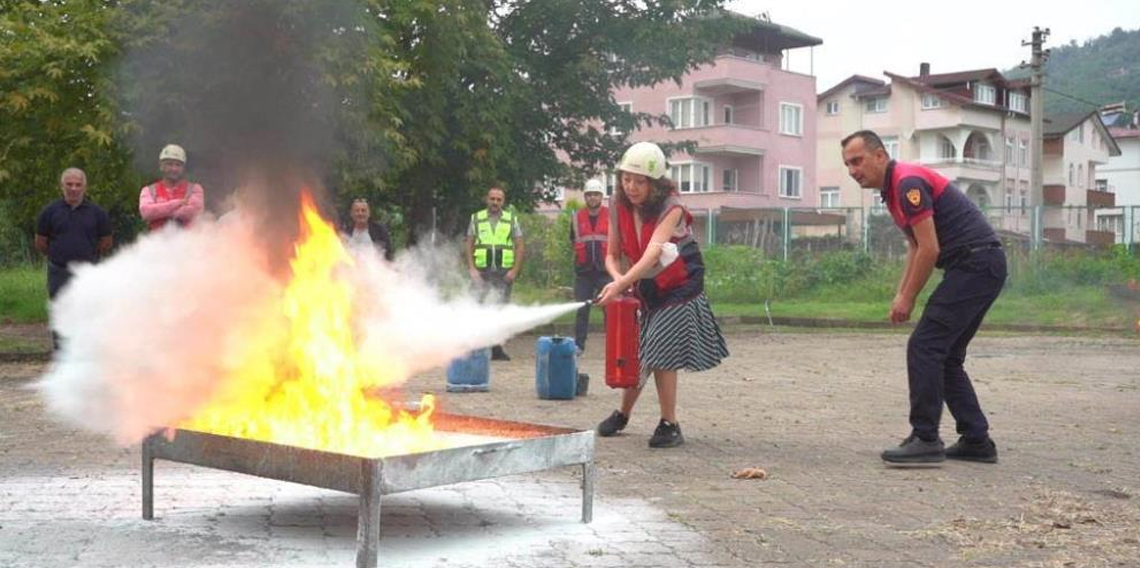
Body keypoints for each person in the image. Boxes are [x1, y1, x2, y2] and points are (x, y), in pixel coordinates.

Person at [841, 129, 1006, 465]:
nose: (853, 170)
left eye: (857, 161)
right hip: (979, 265)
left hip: (975, 264)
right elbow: (916, 246)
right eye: (847, 164)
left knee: (925, 346)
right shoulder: (893, 189)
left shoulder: (907, 183)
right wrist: (901, 293)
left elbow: (930, 249)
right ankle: (976, 440)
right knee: (944, 355)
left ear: (879, 155)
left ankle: (925, 438)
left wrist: (909, 299)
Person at [594, 142, 729, 448]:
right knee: (640, 349)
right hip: (647, 284)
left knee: (658, 345)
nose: (631, 186)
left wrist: (619, 285)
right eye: (626, 178)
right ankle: (623, 414)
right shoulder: (617, 206)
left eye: (639, 181)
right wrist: (619, 281)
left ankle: (670, 424)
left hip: (680, 284)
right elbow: (612, 255)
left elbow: (652, 254)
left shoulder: (672, 208)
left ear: (655, 184)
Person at [35, 168, 113, 349]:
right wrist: (60, 255)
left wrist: (87, 255)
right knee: (60, 312)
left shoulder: (98, 213)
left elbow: (106, 242)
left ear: (85, 187)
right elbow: (41, 242)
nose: (73, 188)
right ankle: (62, 355)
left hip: (87, 272)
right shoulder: (49, 212)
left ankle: (85, 354)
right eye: (69, 184)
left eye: (78, 185)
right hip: (59, 271)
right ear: (62, 186)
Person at [464, 186, 525, 361]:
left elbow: (520, 245)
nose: (495, 202)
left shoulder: (511, 219)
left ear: (503, 202)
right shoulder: (476, 218)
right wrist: (472, 269)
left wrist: (514, 270)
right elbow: (469, 244)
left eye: (499, 199)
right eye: (492, 199)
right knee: (476, 307)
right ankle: (476, 347)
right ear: (487, 199)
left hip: (503, 272)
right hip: (481, 271)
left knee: (500, 310)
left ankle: (497, 348)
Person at [570, 178, 612, 355]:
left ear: (601, 196)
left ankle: (613, 344)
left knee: (610, 309)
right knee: (581, 309)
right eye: (590, 194)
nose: (593, 197)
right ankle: (579, 345)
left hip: (605, 271)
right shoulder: (576, 217)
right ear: (585, 196)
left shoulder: (611, 216)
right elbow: (573, 239)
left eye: (596, 194)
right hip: (584, 271)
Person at [139, 144, 205, 231]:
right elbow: (146, 213)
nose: (174, 169)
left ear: (183, 168)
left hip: (188, 242)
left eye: (178, 165)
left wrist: (158, 210)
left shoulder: (195, 189)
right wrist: (177, 203)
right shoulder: (149, 190)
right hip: (157, 243)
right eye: (169, 164)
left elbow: (194, 212)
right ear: (161, 166)